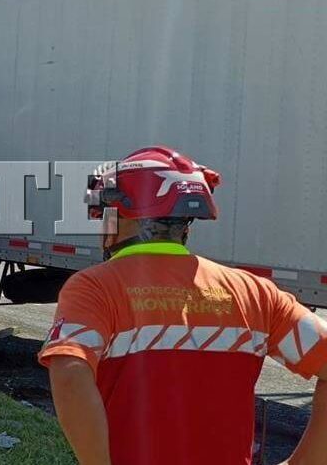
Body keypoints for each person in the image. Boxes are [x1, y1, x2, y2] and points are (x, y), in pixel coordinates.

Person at [39, 146, 327, 465]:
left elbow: (70, 372)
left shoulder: (95, 287)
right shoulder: (256, 292)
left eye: (104, 214)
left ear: (120, 214)